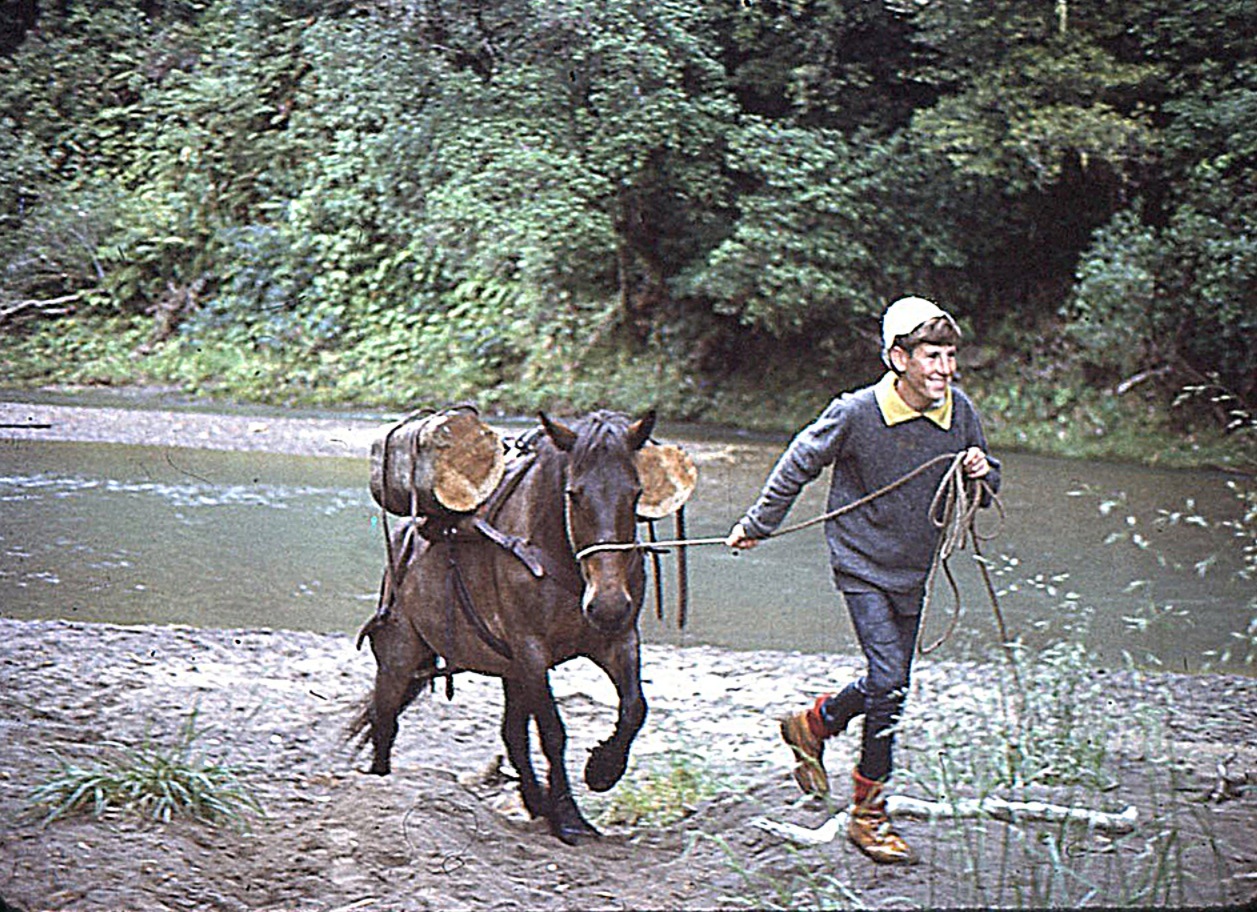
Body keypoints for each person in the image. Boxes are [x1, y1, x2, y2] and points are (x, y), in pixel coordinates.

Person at [725, 296, 1001, 864]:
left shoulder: (961, 411)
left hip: (914, 567)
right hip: (860, 562)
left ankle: (814, 723)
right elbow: (798, 463)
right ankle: (868, 816)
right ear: (898, 357)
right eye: (932, 356)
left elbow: (987, 485)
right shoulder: (855, 412)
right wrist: (757, 525)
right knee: (890, 682)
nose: (945, 369)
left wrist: (982, 471)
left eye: (950, 356)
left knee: (890, 687)